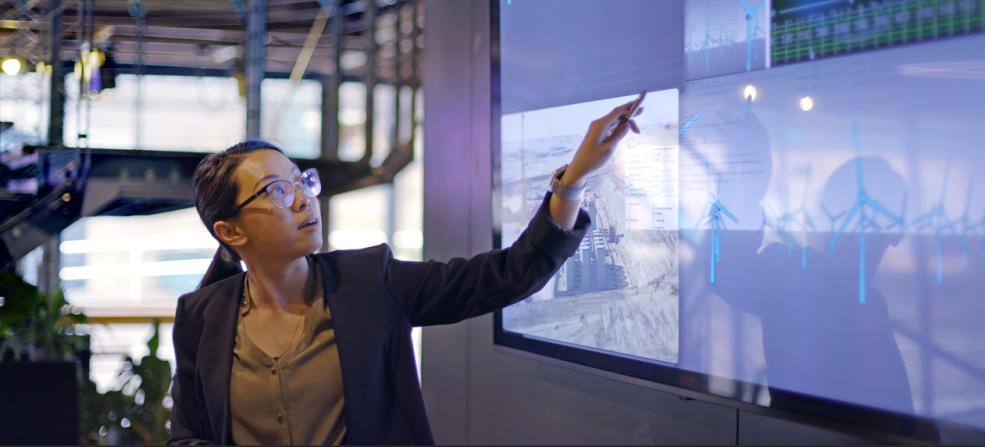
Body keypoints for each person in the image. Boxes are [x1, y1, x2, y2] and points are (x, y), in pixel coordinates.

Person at [168, 102, 642, 445]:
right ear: (230, 231)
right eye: (276, 190)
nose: (302, 198)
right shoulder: (201, 316)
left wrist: (573, 181)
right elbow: (187, 436)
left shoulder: (369, 282)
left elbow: (508, 275)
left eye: (301, 180)